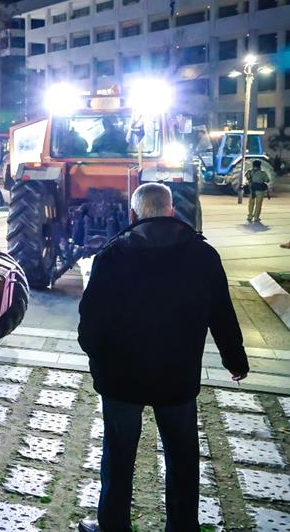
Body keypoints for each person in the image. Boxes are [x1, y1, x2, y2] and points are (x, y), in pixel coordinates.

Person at [76, 182, 249, 532]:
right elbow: (221, 313)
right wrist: (235, 360)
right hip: (177, 377)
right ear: (172, 211)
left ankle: (112, 526)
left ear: (133, 214)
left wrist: (99, 362)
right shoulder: (203, 255)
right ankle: (182, 527)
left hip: (121, 378)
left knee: (118, 455)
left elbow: (91, 322)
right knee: (182, 456)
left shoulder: (112, 255)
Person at [245, 159, 270, 224]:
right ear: (259, 165)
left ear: (253, 165)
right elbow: (267, 180)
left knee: (251, 203)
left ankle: (250, 216)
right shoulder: (263, 173)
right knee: (258, 204)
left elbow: (247, 178)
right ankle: (256, 217)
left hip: (252, 190)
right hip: (260, 191)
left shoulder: (249, 171)